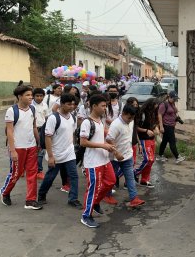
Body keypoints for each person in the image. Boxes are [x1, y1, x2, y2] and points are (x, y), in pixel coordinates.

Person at [0, 86, 42, 210]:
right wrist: (12, 150)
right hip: (18, 148)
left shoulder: (32, 109)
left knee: (32, 173)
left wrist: (38, 142)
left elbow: (34, 127)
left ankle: (30, 200)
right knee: (16, 174)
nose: (31, 97)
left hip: (31, 147)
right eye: (28, 95)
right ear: (20, 96)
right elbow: (9, 131)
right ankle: (5, 192)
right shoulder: (12, 111)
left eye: (31, 95)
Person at [37, 93, 82, 209]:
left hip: (69, 153)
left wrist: (72, 146)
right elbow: (48, 137)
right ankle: (41, 195)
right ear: (61, 104)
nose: (72, 106)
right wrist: (51, 156)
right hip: (56, 154)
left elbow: (71, 133)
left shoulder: (72, 117)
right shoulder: (53, 118)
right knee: (50, 176)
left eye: (73, 104)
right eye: (68, 104)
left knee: (74, 176)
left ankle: (73, 199)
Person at [79, 94, 116, 228]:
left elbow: (102, 135)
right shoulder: (86, 122)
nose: (105, 108)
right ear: (94, 106)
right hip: (93, 162)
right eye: (103, 106)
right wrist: (103, 145)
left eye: (106, 106)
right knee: (93, 188)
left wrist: (110, 143)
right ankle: (86, 216)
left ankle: (95, 203)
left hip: (104, 159)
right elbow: (83, 142)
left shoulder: (100, 120)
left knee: (111, 181)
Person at [106, 105, 146, 209]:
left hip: (127, 155)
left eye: (132, 118)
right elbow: (109, 139)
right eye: (129, 118)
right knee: (112, 178)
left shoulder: (131, 121)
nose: (130, 120)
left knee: (130, 177)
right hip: (114, 157)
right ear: (123, 114)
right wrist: (116, 153)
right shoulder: (115, 125)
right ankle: (107, 195)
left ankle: (134, 198)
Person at [134, 98, 159, 188]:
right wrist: (146, 130)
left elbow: (154, 123)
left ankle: (145, 180)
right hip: (144, 139)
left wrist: (156, 128)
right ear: (150, 105)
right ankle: (135, 172)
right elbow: (135, 127)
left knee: (151, 161)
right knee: (148, 159)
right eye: (154, 106)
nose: (156, 108)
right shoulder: (141, 114)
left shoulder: (153, 112)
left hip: (152, 138)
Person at [157, 91, 186, 164]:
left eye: (176, 99)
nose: (175, 100)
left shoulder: (172, 104)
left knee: (164, 141)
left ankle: (160, 156)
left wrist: (177, 118)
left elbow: (174, 112)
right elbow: (159, 115)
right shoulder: (164, 104)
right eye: (174, 98)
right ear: (169, 97)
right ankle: (178, 157)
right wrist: (161, 126)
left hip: (172, 125)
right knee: (172, 141)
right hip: (167, 126)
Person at [32, 88, 48, 180]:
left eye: (41, 96)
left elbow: (46, 118)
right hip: (31, 130)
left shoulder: (45, 105)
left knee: (40, 151)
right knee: (30, 150)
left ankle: (39, 171)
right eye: (37, 96)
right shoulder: (30, 105)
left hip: (42, 130)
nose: (39, 98)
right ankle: (24, 168)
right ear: (33, 96)